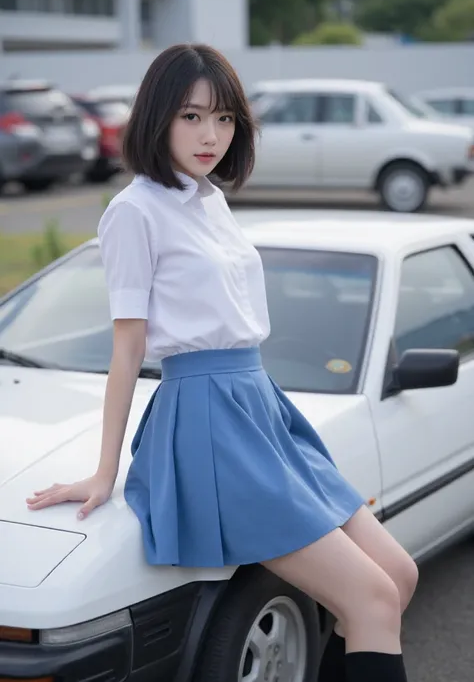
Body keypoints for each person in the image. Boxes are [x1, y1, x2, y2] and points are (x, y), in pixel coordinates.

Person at [26, 43, 418, 681]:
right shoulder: (134, 211)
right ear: (157, 118)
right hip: (209, 419)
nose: (211, 135)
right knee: (370, 597)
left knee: (397, 576)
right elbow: (127, 347)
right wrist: (105, 471)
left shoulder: (207, 197)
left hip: (258, 403)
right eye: (191, 117)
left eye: (225, 118)